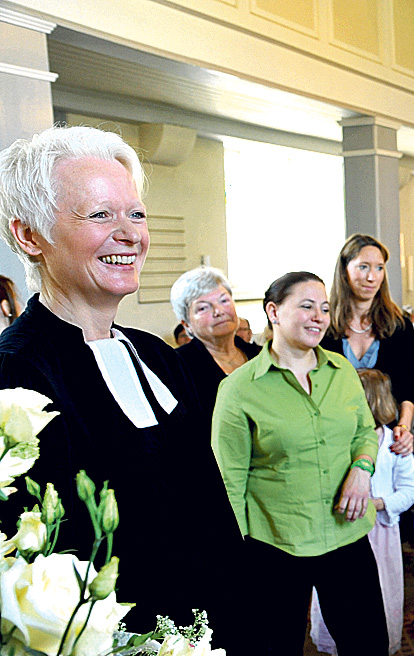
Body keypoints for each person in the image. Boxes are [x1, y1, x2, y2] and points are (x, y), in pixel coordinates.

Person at [0, 125, 239, 632]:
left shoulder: (159, 356)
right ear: (29, 235)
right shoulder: (14, 373)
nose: (130, 233)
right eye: (100, 214)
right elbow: (36, 557)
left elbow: (209, 508)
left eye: (136, 214)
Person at [211, 271, 388, 655]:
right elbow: (229, 482)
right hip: (276, 545)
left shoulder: (341, 370)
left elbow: (363, 431)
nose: (319, 317)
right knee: (277, 648)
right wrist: (237, 561)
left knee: (368, 645)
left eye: (324, 308)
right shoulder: (238, 389)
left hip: (346, 534)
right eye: (307, 306)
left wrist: (362, 468)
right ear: (273, 311)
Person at [310, 368, 414, 655]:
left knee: (379, 594)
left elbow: (409, 493)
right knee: (337, 597)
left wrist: (375, 504)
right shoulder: (334, 441)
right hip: (339, 530)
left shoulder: (395, 445)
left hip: (380, 534)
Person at [321, 234, 414, 456]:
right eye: (363, 267)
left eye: (379, 268)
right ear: (344, 270)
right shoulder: (323, 326)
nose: (372, 277)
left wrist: (404, 427)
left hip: (387, 438)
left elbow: (408, 387)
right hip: (335, 438)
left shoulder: (399, 325)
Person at [170, 266, 260, 411]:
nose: (219, 311)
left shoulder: (260, 354)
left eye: (224, 301)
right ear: (187, 324)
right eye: (203, 308)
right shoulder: (177, 366)